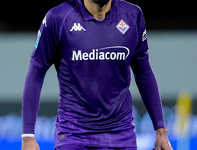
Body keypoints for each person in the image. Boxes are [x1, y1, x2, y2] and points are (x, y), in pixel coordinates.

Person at [21, 0, 173, 149]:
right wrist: (28, 136)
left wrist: (161, 131)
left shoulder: (132, 15)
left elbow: (144, 72)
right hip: (74, 136)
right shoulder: (59, 17)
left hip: (122, 135)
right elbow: (36, 71)